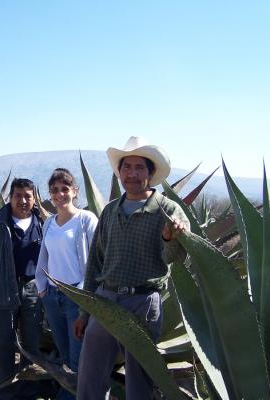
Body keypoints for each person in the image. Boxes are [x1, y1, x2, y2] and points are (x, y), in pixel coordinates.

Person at [73, 137, 190, 400]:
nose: (132, 174)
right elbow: (95, 262)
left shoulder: (168, 210)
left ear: (150, 173)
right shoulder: (110, 211)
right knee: (90, 375)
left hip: (143, 303)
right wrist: (84, 311)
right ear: (119, 172)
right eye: (127, 167)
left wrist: (171, 238)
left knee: (139, 379)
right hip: (105, 299)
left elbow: (179, 258)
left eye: (139, 168)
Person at [0, 178, 44, 399]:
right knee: (3, 343)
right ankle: (3, 392)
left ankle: (29, 390)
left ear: (34, 199)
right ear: (10, 198)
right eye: (18, 195)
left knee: (32, 344)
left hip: (33, 289)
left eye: (27, 196)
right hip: (3, 288)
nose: (23, 200)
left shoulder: (43, 223)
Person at [35, 168, 98, 397]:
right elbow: (44, 256)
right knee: (62, 349)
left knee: (77, 355)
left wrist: (85, 297)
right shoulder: (49, 223)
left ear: (75, 191)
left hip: (77, 299)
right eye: (54, 191)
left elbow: (96, 260)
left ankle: (74, 394)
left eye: (64, 189)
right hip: (52, 296)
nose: (59, 194)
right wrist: (41, 288)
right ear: (49, 195)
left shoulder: (86, 220)